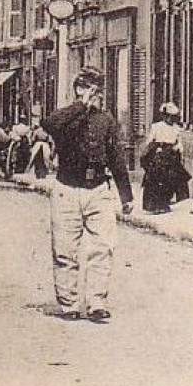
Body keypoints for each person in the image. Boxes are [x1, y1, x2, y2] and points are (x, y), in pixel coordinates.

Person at [40, 67, 133, 323]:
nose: (92, 94)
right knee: (65, 250)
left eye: (95, 89)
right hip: (67, 189)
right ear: (77, 89)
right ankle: (68, 304)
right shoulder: (65, 118)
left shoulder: (106, 121)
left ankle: (96, 303)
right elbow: (48, 124)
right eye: (85, 88)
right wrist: (80, 105)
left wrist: (126, 196)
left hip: (98, 190)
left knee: (103, 248)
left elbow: (117, 159)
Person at [140, 102, 190, 214]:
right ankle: (153, 205)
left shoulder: (176, 129)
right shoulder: (157, 127)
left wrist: (178, 148)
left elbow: (179, 143)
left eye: (173, 118)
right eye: (168, 117)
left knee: (172, 179)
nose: (170, 119)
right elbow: (149, 142)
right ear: (164, 116)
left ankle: (165, 203)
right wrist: (155, 148)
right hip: (158, 155)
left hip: (171, 156)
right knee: (155, 179)